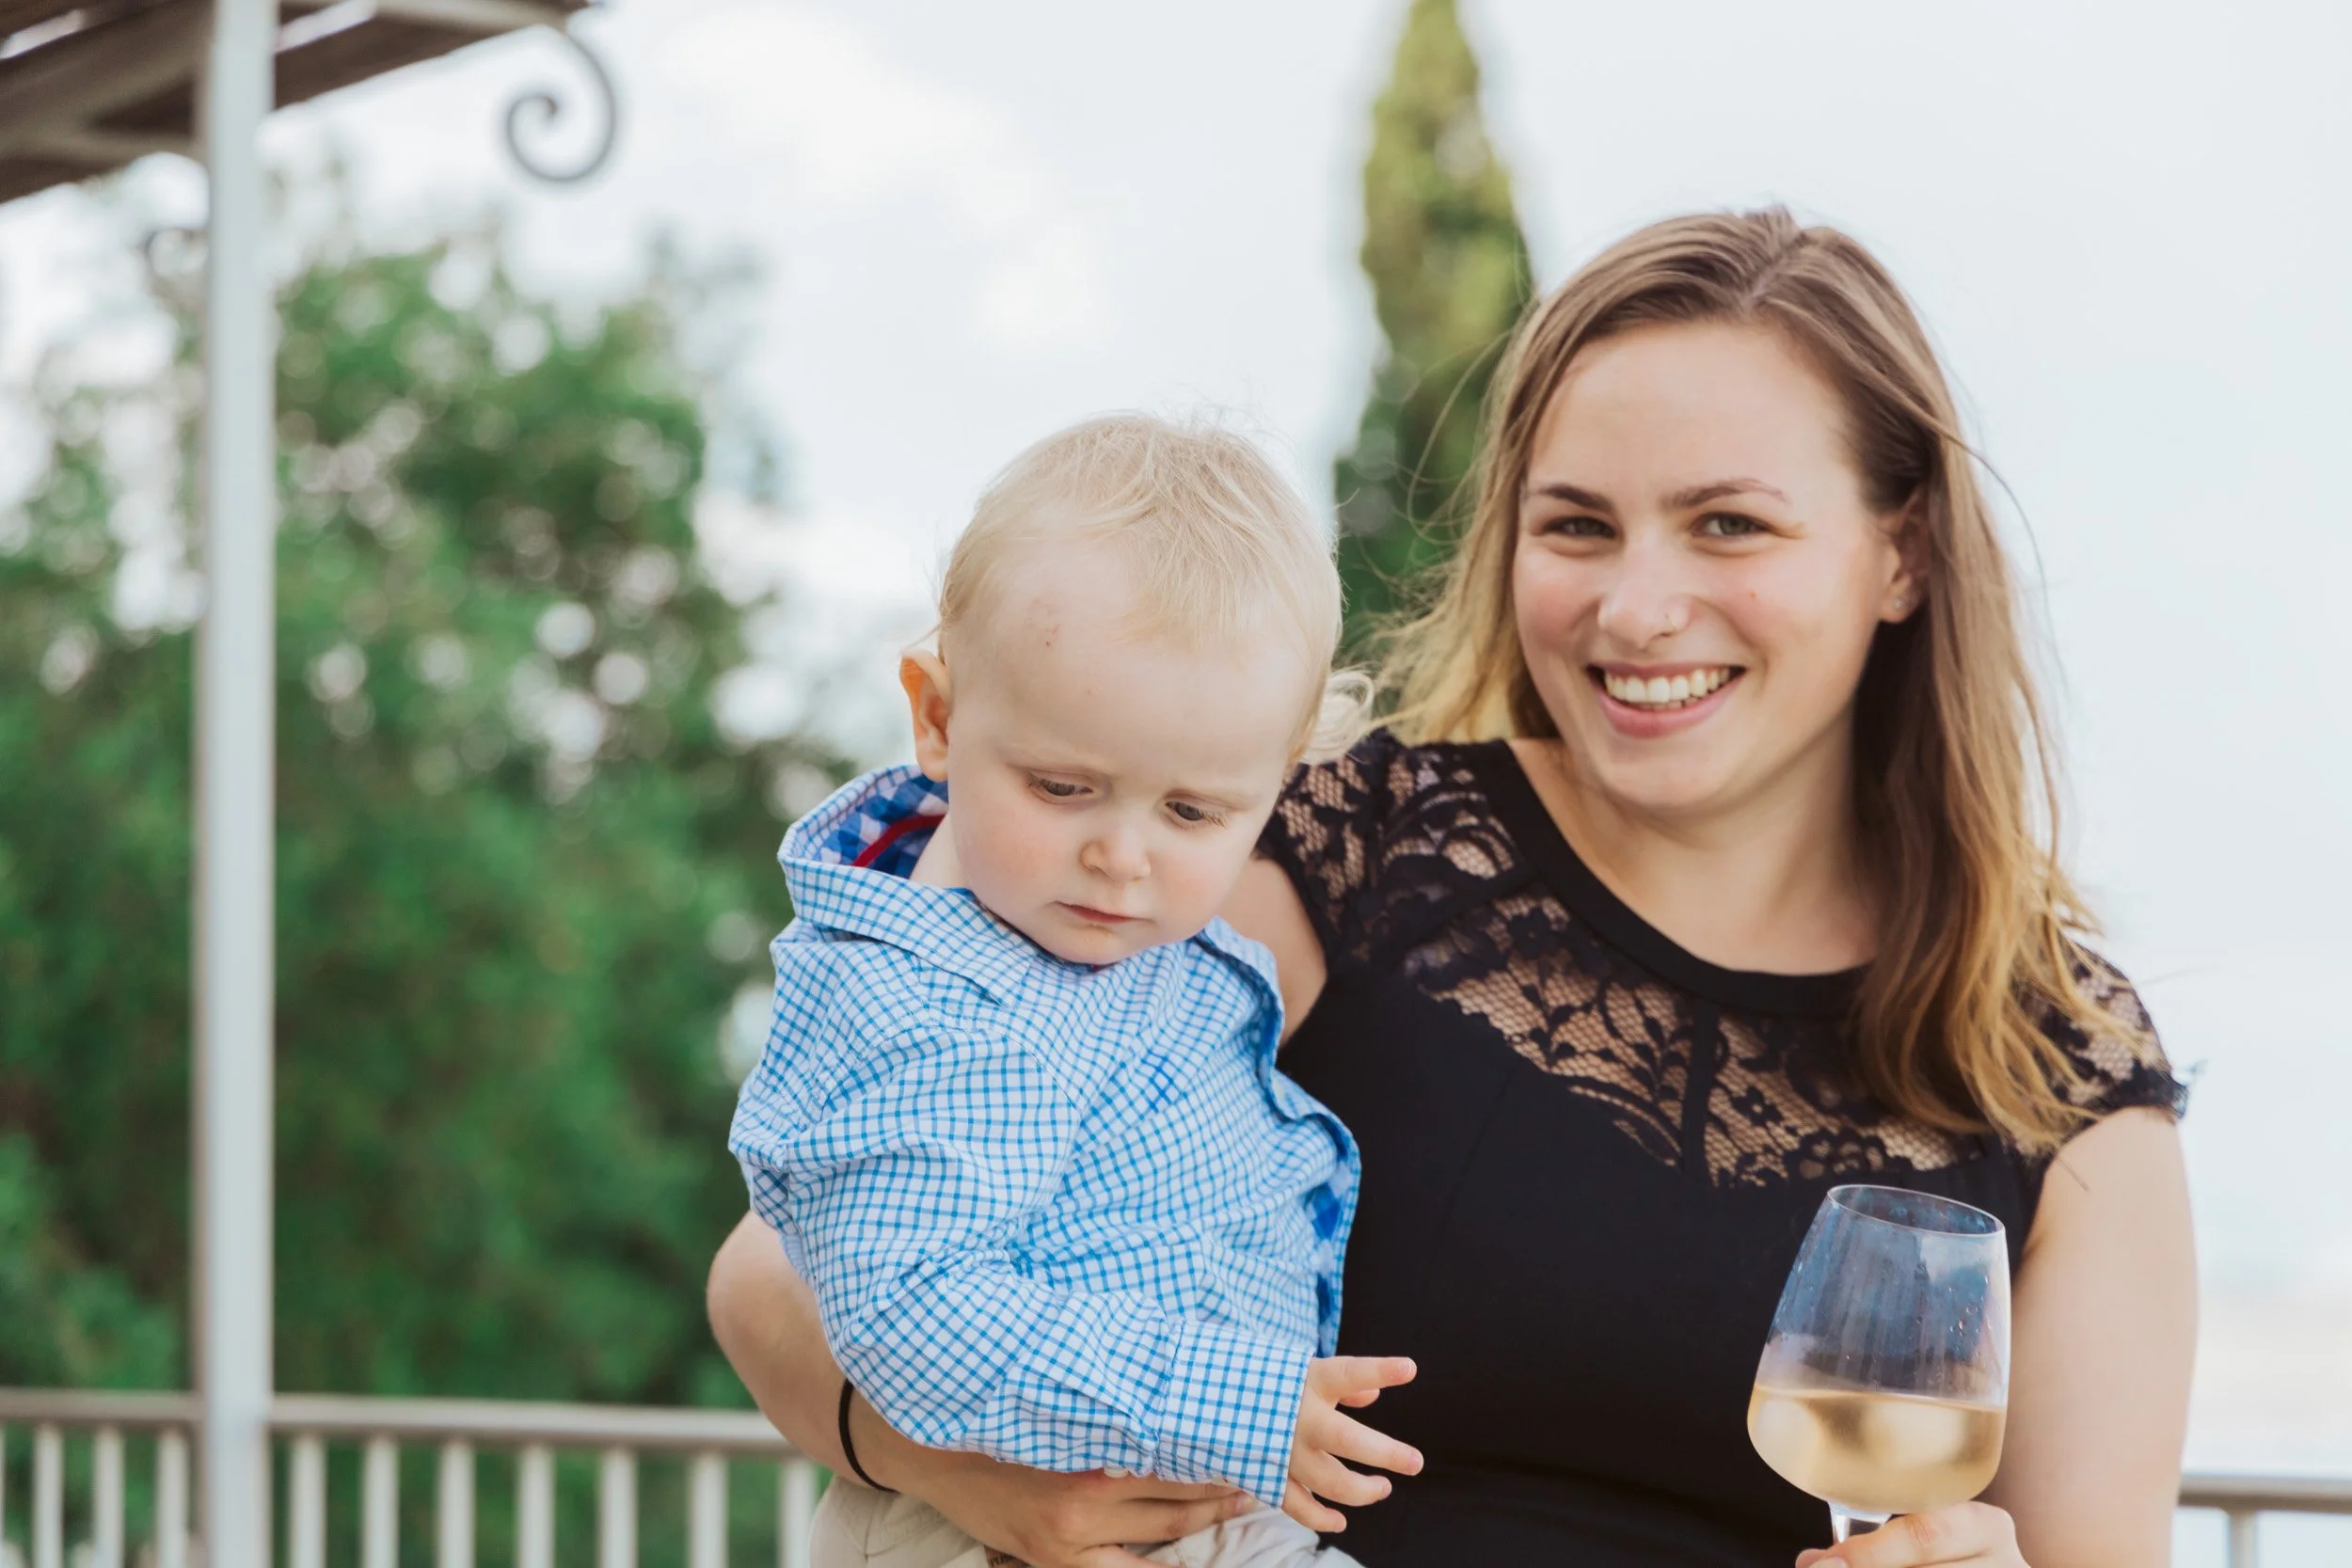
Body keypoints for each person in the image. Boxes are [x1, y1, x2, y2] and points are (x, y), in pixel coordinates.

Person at [708, 210, 2197, 1568]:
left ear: (1904, 553)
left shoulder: (2060, 1073)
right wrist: (961, 1472)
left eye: (1729, 523)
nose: (1636, 603)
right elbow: (792, 1259)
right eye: (1577, 524)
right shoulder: (1341, 848)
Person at [729, 414, 1422, 1568]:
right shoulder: (929, 1005)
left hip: (1169, 1497)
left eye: (1194, 811)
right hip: (990, 1515)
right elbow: (911, 1309)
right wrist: (1234, 1397)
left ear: (1281, 779)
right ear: (939, 716)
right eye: (1064, 786)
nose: (1123, 855)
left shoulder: (1108, 945)